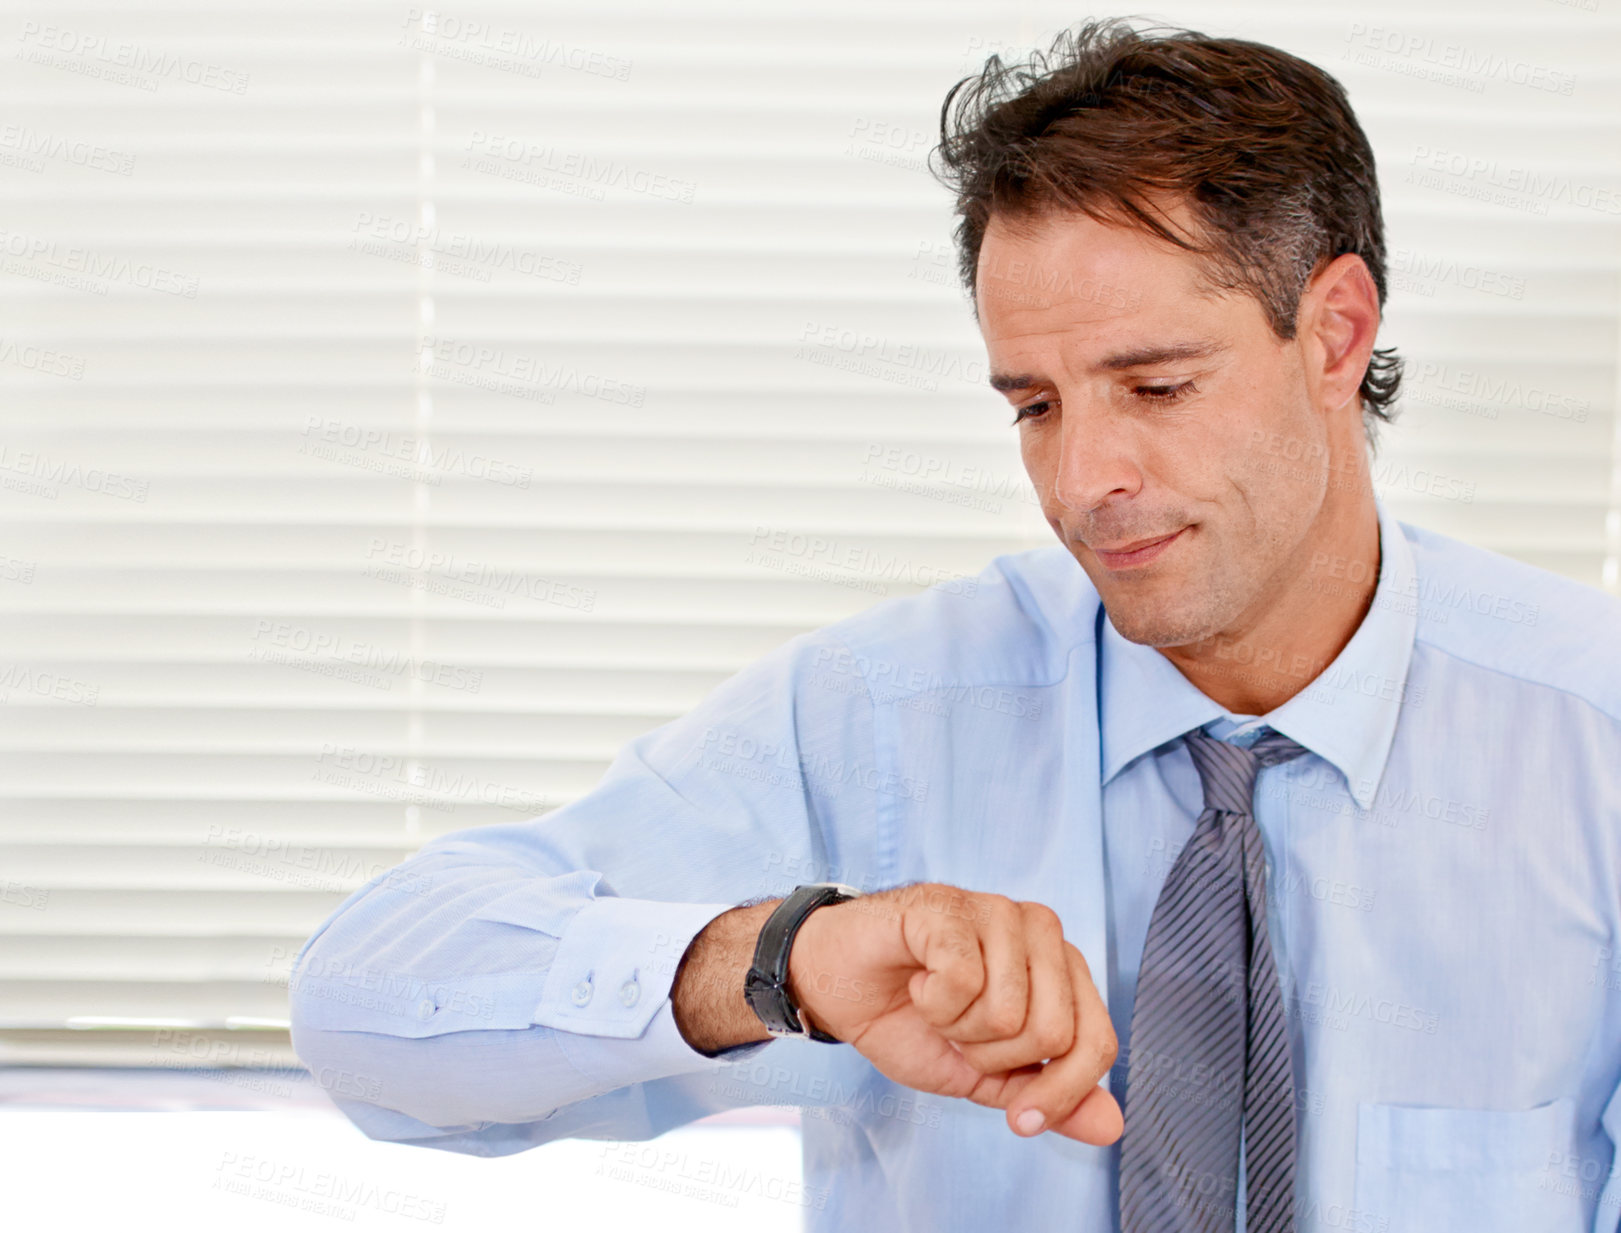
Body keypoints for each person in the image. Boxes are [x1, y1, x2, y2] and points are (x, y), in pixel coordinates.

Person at [288, 18, 1621, 1232]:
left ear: (1333, 333)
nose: (1081, 475)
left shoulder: (1589, 735)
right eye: (1032, 403)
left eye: (1152, 385)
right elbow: (366, 1004)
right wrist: (782, 959)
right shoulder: (882, 718)